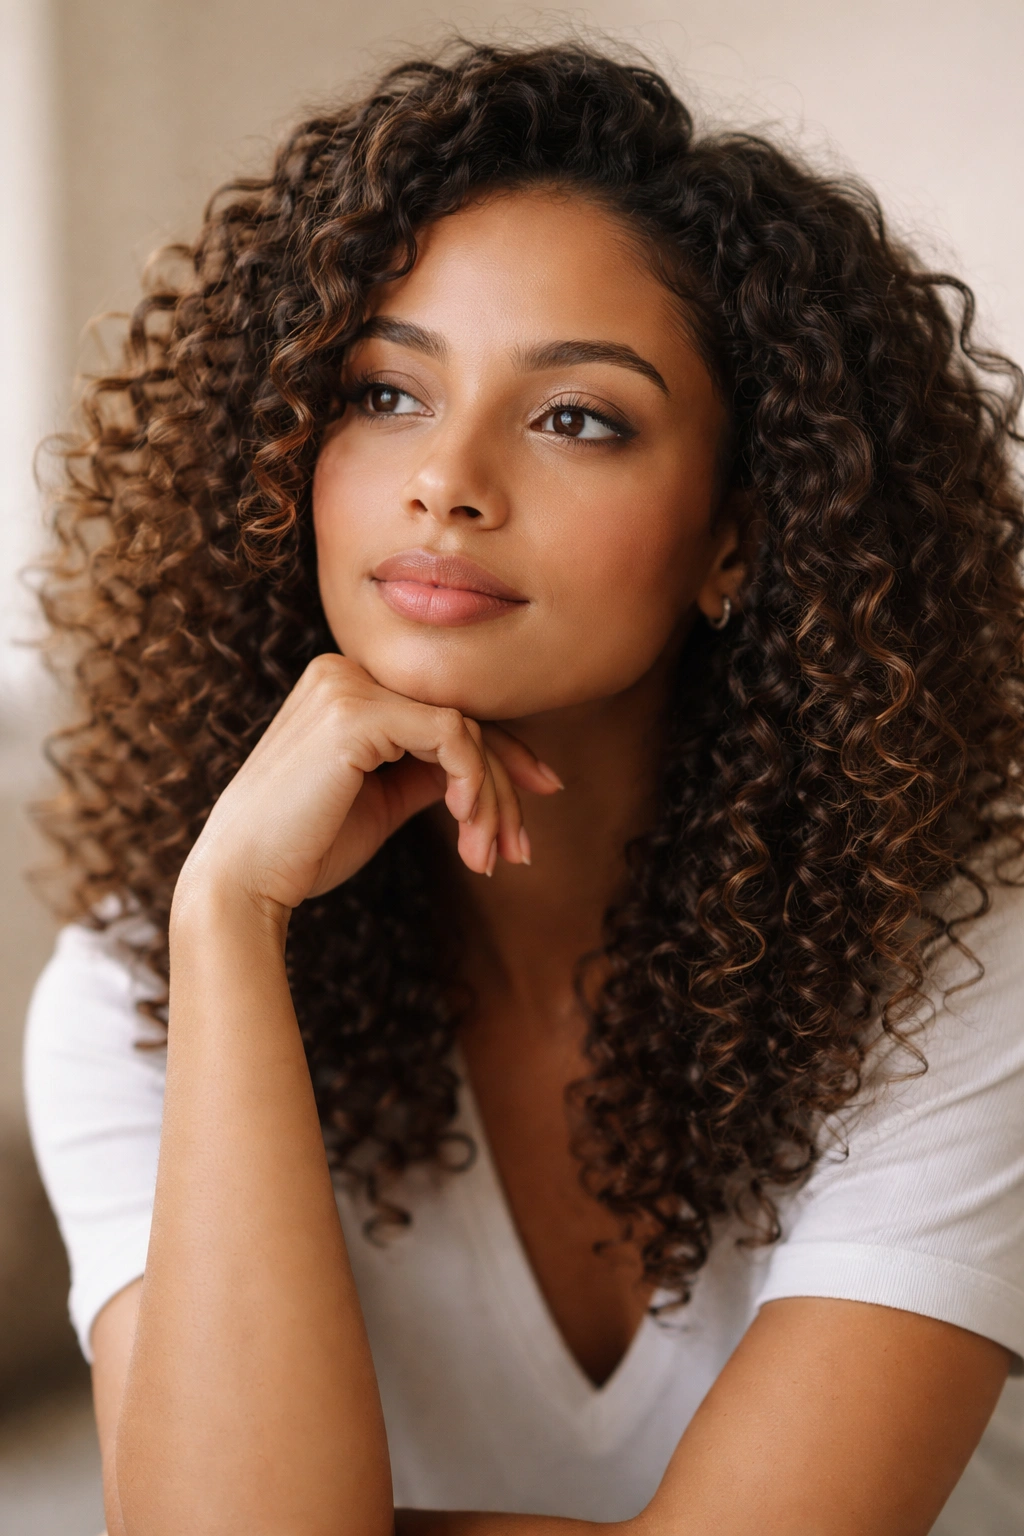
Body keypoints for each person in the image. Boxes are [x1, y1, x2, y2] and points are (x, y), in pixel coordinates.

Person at [23, 40, 1024, 1536]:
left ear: (739, 539)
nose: (450, 480)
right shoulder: (146, 978)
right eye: (384, 392)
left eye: (578, 418)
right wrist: (230, 924)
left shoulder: (965, 956)